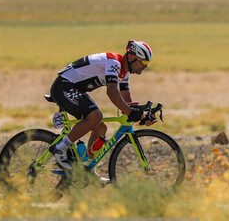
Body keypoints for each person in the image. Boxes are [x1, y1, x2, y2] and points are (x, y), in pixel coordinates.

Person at [48, 39, 156, 170]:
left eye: (147, 63)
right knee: (95, 117)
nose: (145, 66)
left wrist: (142, 116)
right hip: (63, 86)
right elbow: (112, 92)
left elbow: (126, 97)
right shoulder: (114, 62)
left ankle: (85, 169)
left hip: (74, 89)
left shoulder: (125, 71)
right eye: (143, 62)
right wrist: (130, 112)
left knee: (100, 128)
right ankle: (60, 149)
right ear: (132, 57)